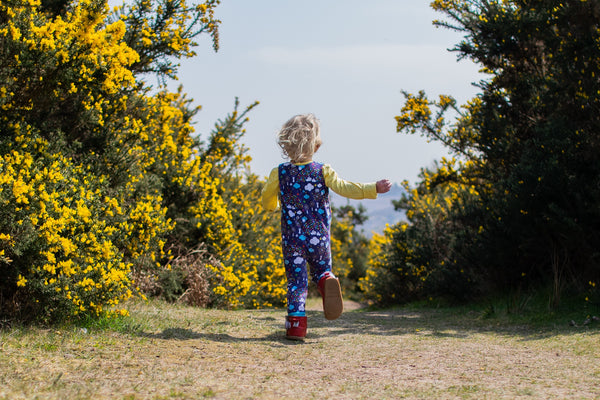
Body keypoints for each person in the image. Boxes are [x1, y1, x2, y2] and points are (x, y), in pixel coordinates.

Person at [261, 113, 392, 340]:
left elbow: (266, 201)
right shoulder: (322, 171)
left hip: (292, 240)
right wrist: (374, 188)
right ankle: (324, 280)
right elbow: (346, 188)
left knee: (296, 282)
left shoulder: (279, 173)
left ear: (286, 144)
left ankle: (296, 326)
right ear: (317, 146)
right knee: (321, 269)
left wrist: (274, 206)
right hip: (318, 237)